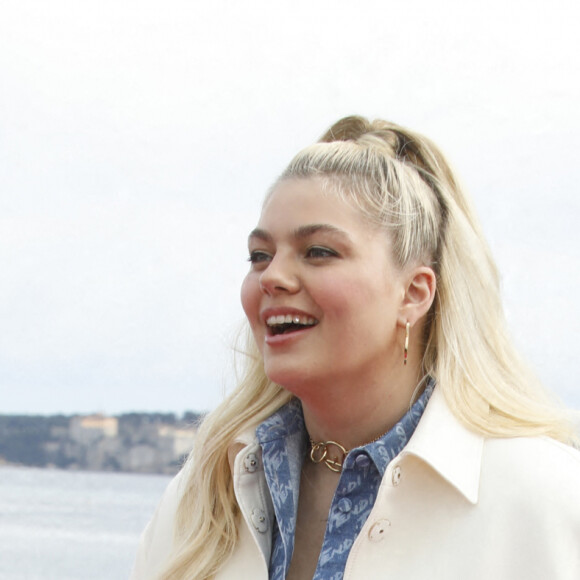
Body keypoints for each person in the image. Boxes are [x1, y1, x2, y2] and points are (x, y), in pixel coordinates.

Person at [131, 116, 580, 580]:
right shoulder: (205, 499)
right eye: (260, 255)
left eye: (319, 251)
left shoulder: (546, 503)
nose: (272, 277)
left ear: (414, 293)